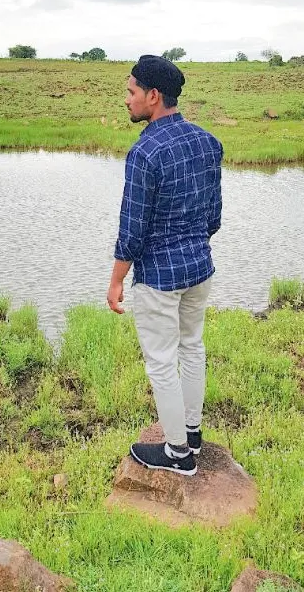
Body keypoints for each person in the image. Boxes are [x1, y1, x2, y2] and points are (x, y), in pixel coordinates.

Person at [107, 54, 223, 476]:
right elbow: (213, 217)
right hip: (199, 269)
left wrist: (116, 281)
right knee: (192, 347)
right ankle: (191, 432)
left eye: (131, 91)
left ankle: (178, 454)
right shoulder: (209, 142)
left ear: (153, 97)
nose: (127, 99)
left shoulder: (144, 154)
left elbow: (132, 231)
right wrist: (190, 246)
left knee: (160, 361)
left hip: (158, 276)